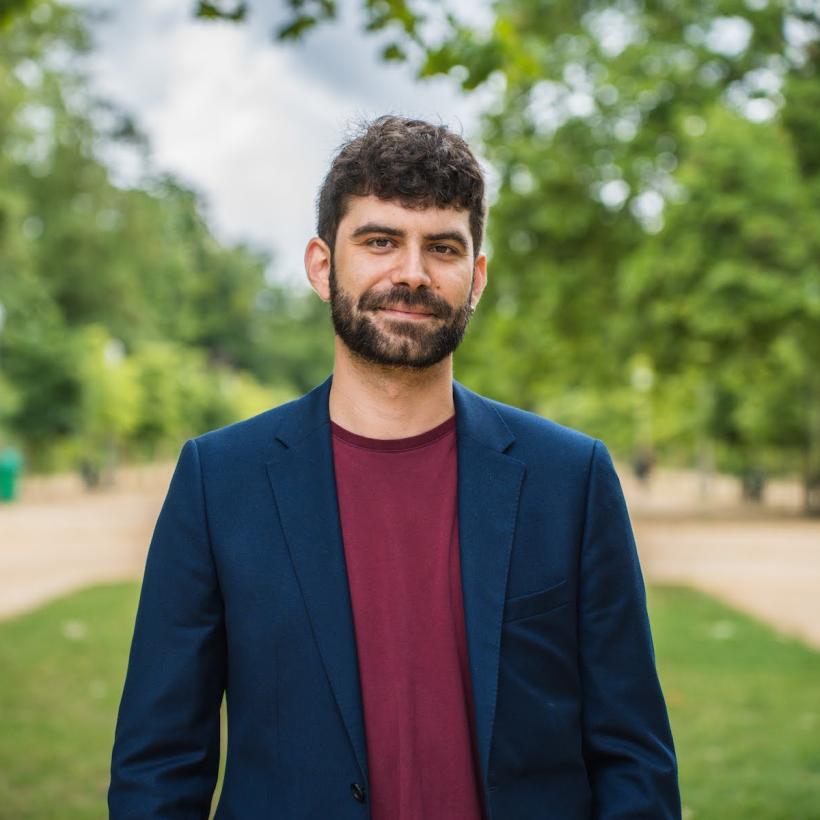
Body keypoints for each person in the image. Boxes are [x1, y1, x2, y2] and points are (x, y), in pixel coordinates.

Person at [109, 115, 680, 819]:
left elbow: (634, 760)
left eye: (442, 247)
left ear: (476, 277)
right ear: (322, 266)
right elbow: (159, 767)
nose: (412, 273)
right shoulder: (218, 481)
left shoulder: (572, 479)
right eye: (380, 241)